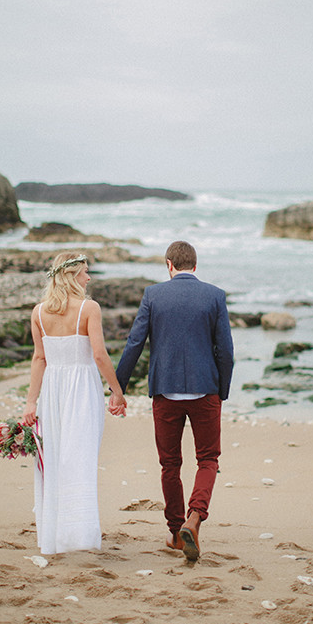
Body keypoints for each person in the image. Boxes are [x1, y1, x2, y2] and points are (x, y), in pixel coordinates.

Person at [113, 240, 234, 561]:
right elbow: (226, 351)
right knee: (208, 459)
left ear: (169, 265)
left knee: (170, 464)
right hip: (205, 390)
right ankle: (194, 518)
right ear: (195, 265)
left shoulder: (153, 295)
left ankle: (176, 533)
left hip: (165, 392)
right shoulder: (215, 295)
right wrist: (222, 391)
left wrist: (118, 388)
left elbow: (134, 343)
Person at [22, 252, 127, 555]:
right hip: (82, 390)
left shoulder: (39, 312)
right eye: (84, 272)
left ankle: (55, 536)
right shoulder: (88, 308)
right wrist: (117, 392)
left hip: (52, 392)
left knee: (55, 458)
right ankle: (80, 535)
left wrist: (31, 403)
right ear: (71, 276)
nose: (88, 278)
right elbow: (99, 355)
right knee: (80, 458)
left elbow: (39, 358)